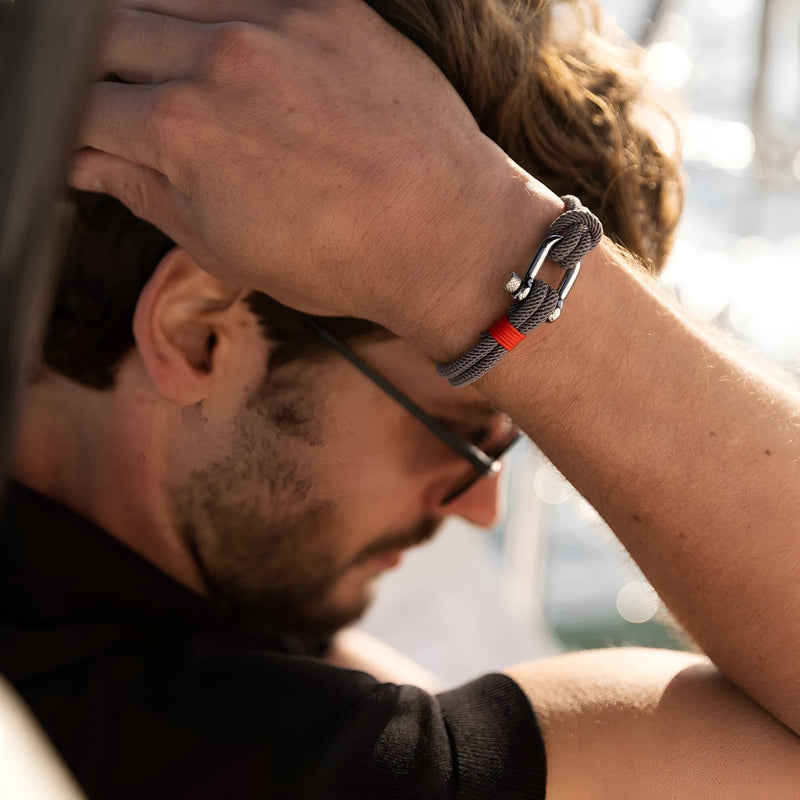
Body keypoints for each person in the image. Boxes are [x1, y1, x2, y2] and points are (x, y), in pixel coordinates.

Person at [5, 0, 799, 797]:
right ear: (197, 334)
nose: (480, 509)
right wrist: (473, 241)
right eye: (459, 431)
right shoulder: (269, 756)